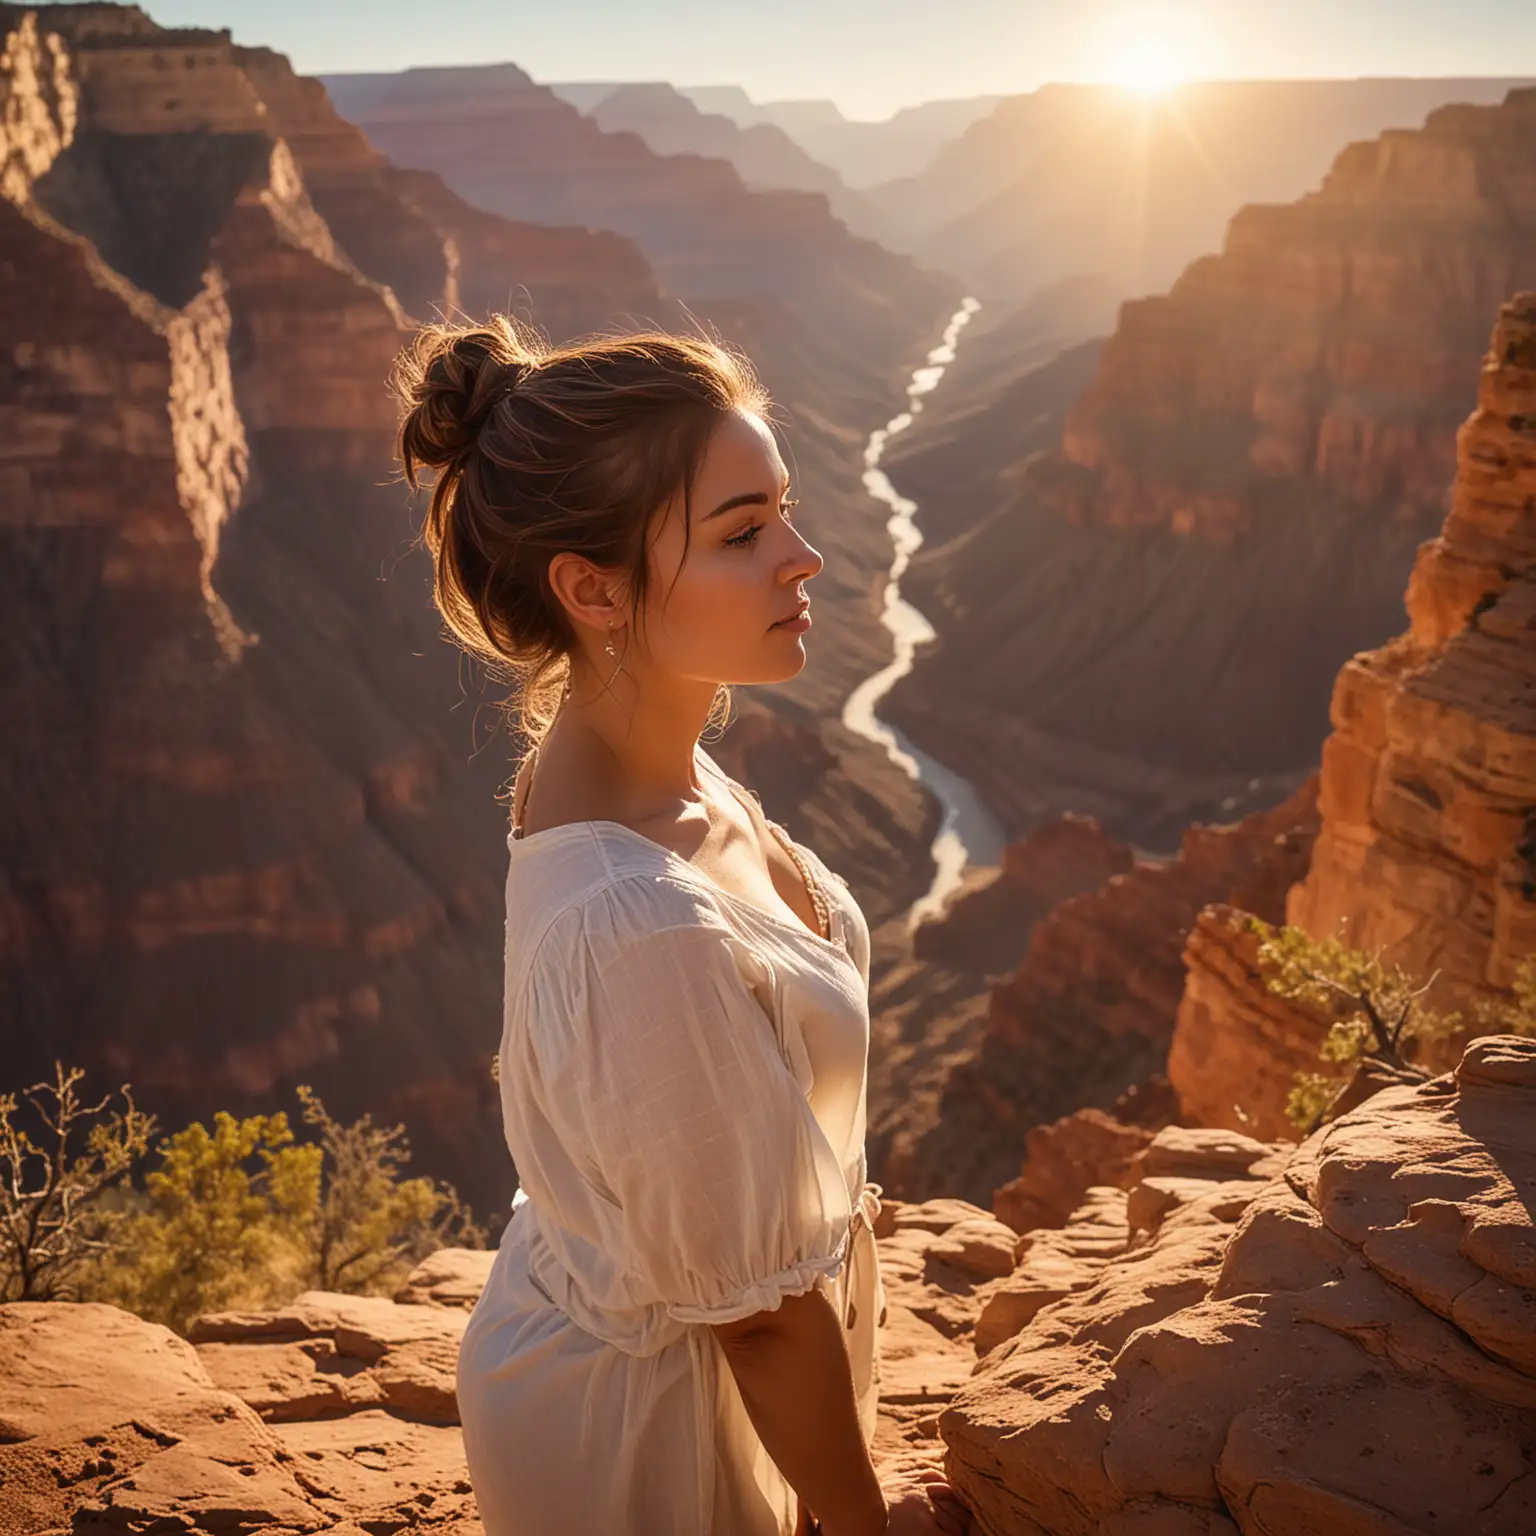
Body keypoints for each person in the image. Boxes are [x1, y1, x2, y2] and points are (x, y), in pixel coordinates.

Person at [392, 315, 972, 1536]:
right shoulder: (636, 925)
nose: (805, 557)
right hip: (647, 1443)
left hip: (699, 1363)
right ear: (591, 587)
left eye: (788, 509)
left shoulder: (660, 771)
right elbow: (758, 1320)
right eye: (744, 532)